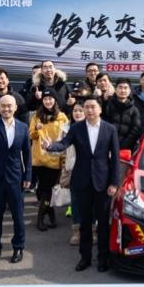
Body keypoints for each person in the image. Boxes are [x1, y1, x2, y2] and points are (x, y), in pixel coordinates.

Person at [41, 97, 120, 272]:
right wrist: (50, 146)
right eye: (86, 107)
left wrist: (114, 183)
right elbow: (64, 143)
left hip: (103, 182)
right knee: (84, 222)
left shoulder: (110, 129)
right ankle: (85, 258)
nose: (89, 110)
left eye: (93, 107)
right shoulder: (76, 128)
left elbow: (115, 158)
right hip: (81, 181)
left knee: (103, 223)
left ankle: (103, 258)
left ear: (100, 109)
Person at [0, 95, 32, 264]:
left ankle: (18, 247)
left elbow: (27, 153)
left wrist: (28, 175)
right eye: (3, 106)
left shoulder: (23, 127)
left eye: (9, 106)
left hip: (16, 177)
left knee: (18, 215)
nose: (6, 109)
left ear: (15, 107)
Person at [28, 91, 68, 232]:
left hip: (55, 159)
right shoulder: (36, 116)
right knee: (42, 191)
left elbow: (65, 139)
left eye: (50, 98)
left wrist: (64, 159)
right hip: (39, 159)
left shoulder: (62, 117)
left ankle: (40, 219)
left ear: (55, 100)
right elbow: (31, 135)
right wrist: (36, 128)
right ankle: (52, 218)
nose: (48, 101)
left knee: (47, 191)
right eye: (45, 99)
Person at [58, 102, 87, 246]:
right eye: (75, 110)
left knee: (90, 202)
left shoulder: (93, 127)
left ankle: (92, 230)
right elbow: (60, 147)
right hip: (72, 169)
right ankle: (77, 231)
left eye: (81, 110)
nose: (78, 113)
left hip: (90, 169)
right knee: (75, 202)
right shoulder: (66, 128)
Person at [103, 78, 143, 153]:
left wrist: (122, 146)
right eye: (120, 87)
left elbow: (135, 130)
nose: (123, 90)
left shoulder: (134, 110)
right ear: (115, 90)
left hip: (126, 149)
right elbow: (103, 126)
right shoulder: (108, 105)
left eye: (125, 88)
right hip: (108, 147)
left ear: (129, 91)